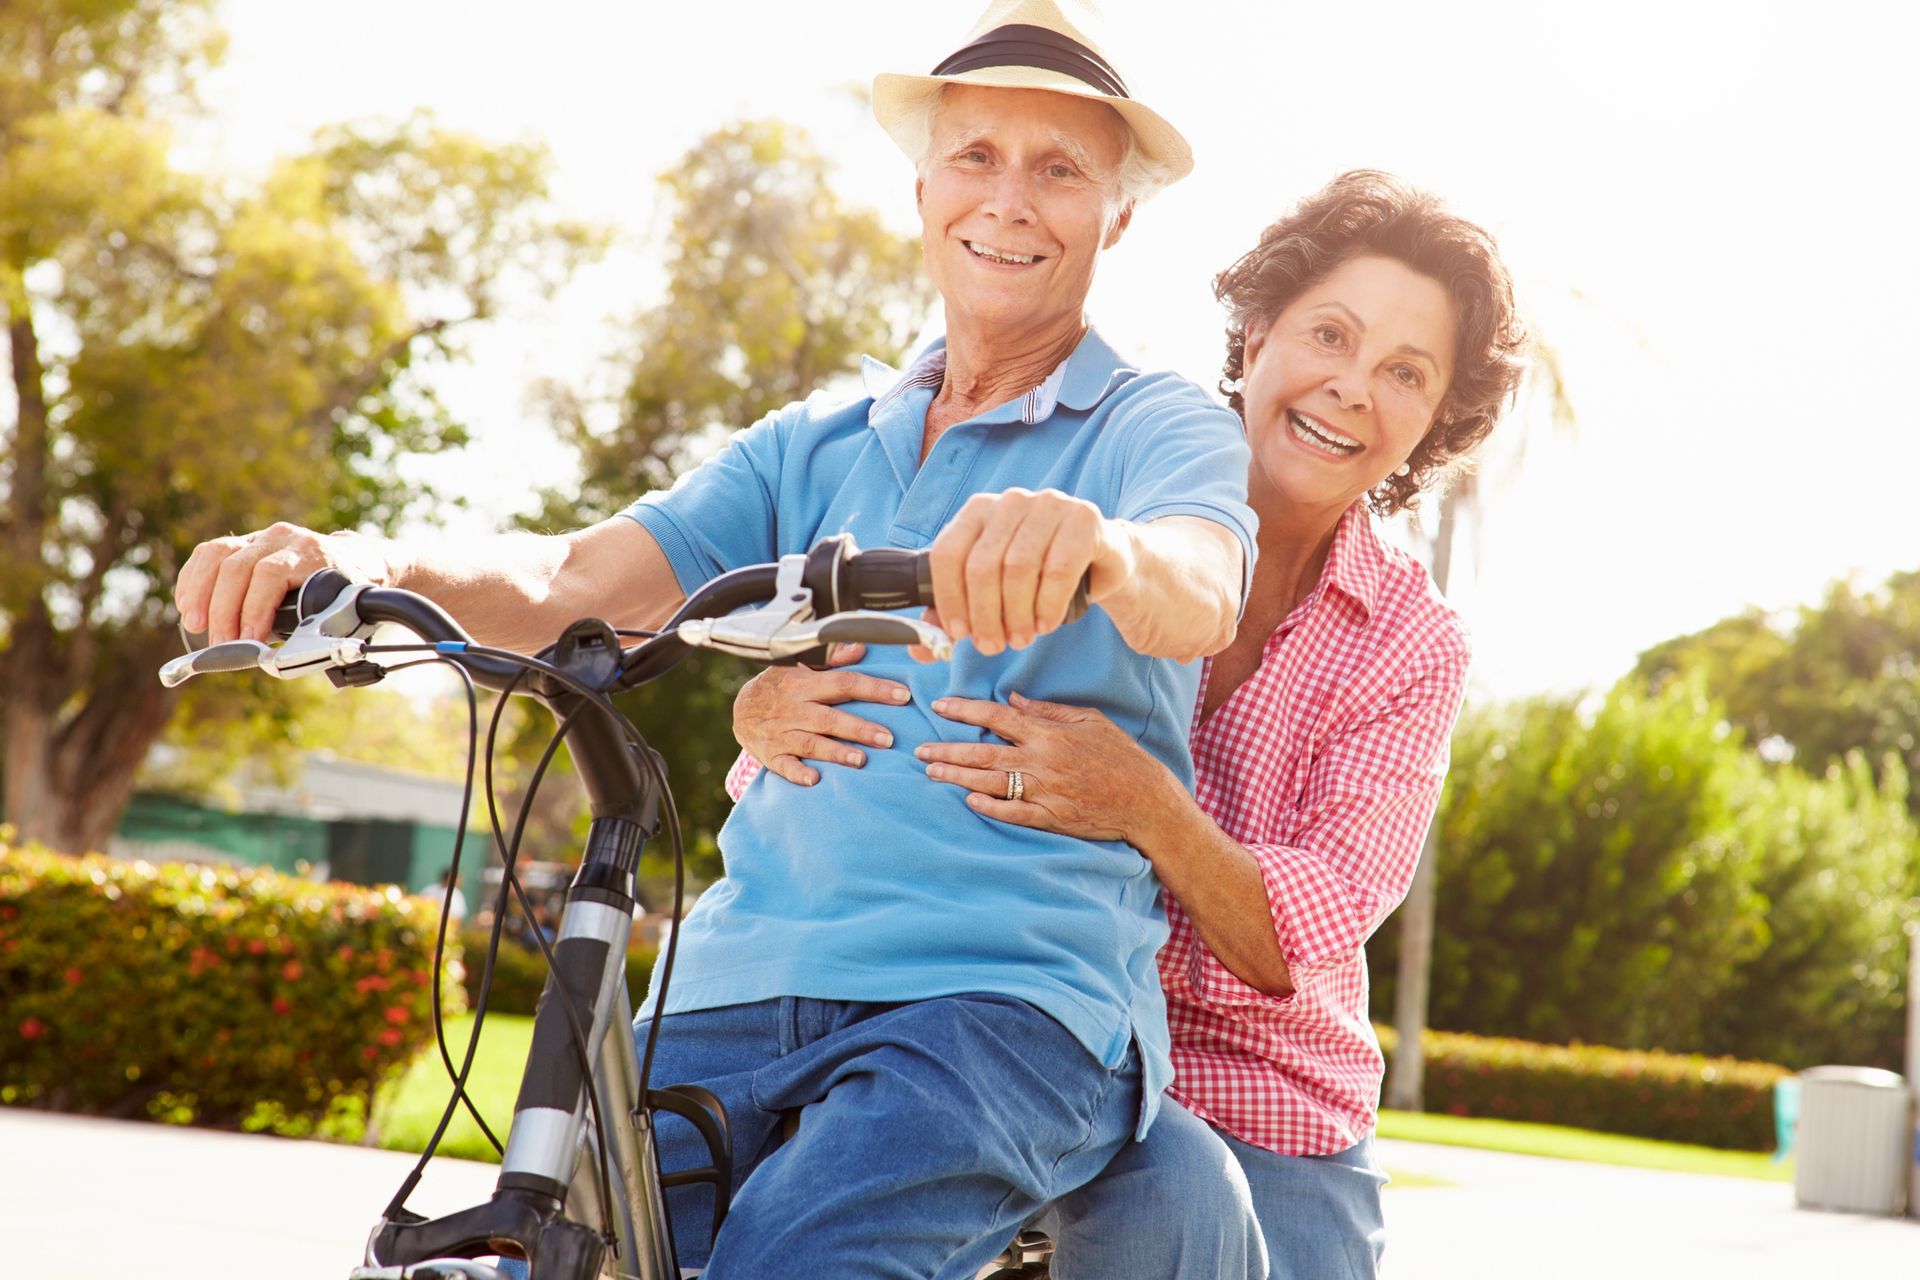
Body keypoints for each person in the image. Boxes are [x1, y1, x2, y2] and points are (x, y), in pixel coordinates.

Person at [172, 3, 1258, 1276]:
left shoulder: (1157, 425)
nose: (1008, 200)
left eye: (1060, 169)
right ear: (922, 187)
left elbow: (1202, 576)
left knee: (797, 1259)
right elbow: (579, 576)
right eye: (976, 156)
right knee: (554, 1250)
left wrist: (1104, 550)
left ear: (1116, 214)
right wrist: (369, 563)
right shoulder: (814, 441)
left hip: (998, 999)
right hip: (733, 981)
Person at [728, 169, 1530, 1278]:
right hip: (1018, 1024)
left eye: (1404, 372)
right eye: (1330, 335)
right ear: (1255, 336)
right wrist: (762, 711)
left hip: (1262, 1089)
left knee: (1185, 1193)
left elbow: (1299, 943)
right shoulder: (1093, 489)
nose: (1352, 387)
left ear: (1435, 421)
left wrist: (1150, 805)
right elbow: (890, 738)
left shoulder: (1411, 640)